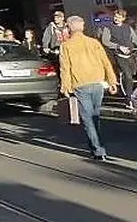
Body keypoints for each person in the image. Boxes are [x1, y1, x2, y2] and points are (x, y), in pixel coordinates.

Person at [58, 15, 118, 161]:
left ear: (69, 28)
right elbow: (106, 62)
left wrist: (65, 87)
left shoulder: (66, 46)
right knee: (95, 116)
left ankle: (98, 149)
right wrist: (112, 81)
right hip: (97, 83)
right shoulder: (93, 43)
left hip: (81, 84)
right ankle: (96, 146)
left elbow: (65, 68)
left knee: (88, 119)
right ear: (82, 27)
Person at [98, 8, 136, 97]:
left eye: (118, 17)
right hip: (119, 56)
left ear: (123, 18)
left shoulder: (128, 28)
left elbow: (134, 39)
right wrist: (118, 47)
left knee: (132, 75)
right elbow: (105, 41)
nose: (116, 19)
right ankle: (128, 97)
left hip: (130, 55)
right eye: (115, 17)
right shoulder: (108, 28)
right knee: (128, 76)